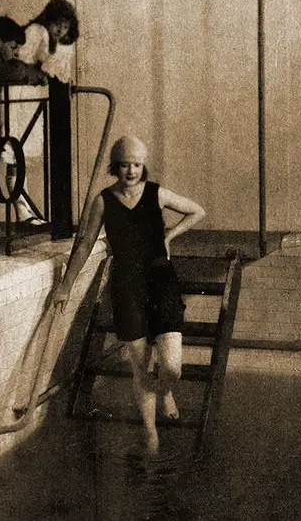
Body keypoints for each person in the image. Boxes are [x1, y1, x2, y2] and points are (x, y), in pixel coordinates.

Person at [52, 136, 206, 455]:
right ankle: (150, 432)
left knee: (172, 367)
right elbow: (83, 245)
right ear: (115, 167)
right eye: (125, 165)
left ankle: (165, 391)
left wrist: (170, 235)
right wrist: (65, 286)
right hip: (127, 286)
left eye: (137, 165)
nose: (131, 171)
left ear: (143, 165)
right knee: (141, 367)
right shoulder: (103, 201)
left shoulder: (157, 193)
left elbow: (197, 211)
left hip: (161, 282)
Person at [0, 16, 47, 230]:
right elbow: (9, 72)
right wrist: (30, 72)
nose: (16, 53)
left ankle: (19, 213)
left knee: (0, 162)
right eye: (13, 47)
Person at [19, 0, 79, 84]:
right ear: (48, 20)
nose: (60, 31)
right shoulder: (37, 30)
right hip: (20, 85)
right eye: (57, 24)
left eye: (65, 27)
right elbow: (21, 60)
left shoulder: (52, 41)